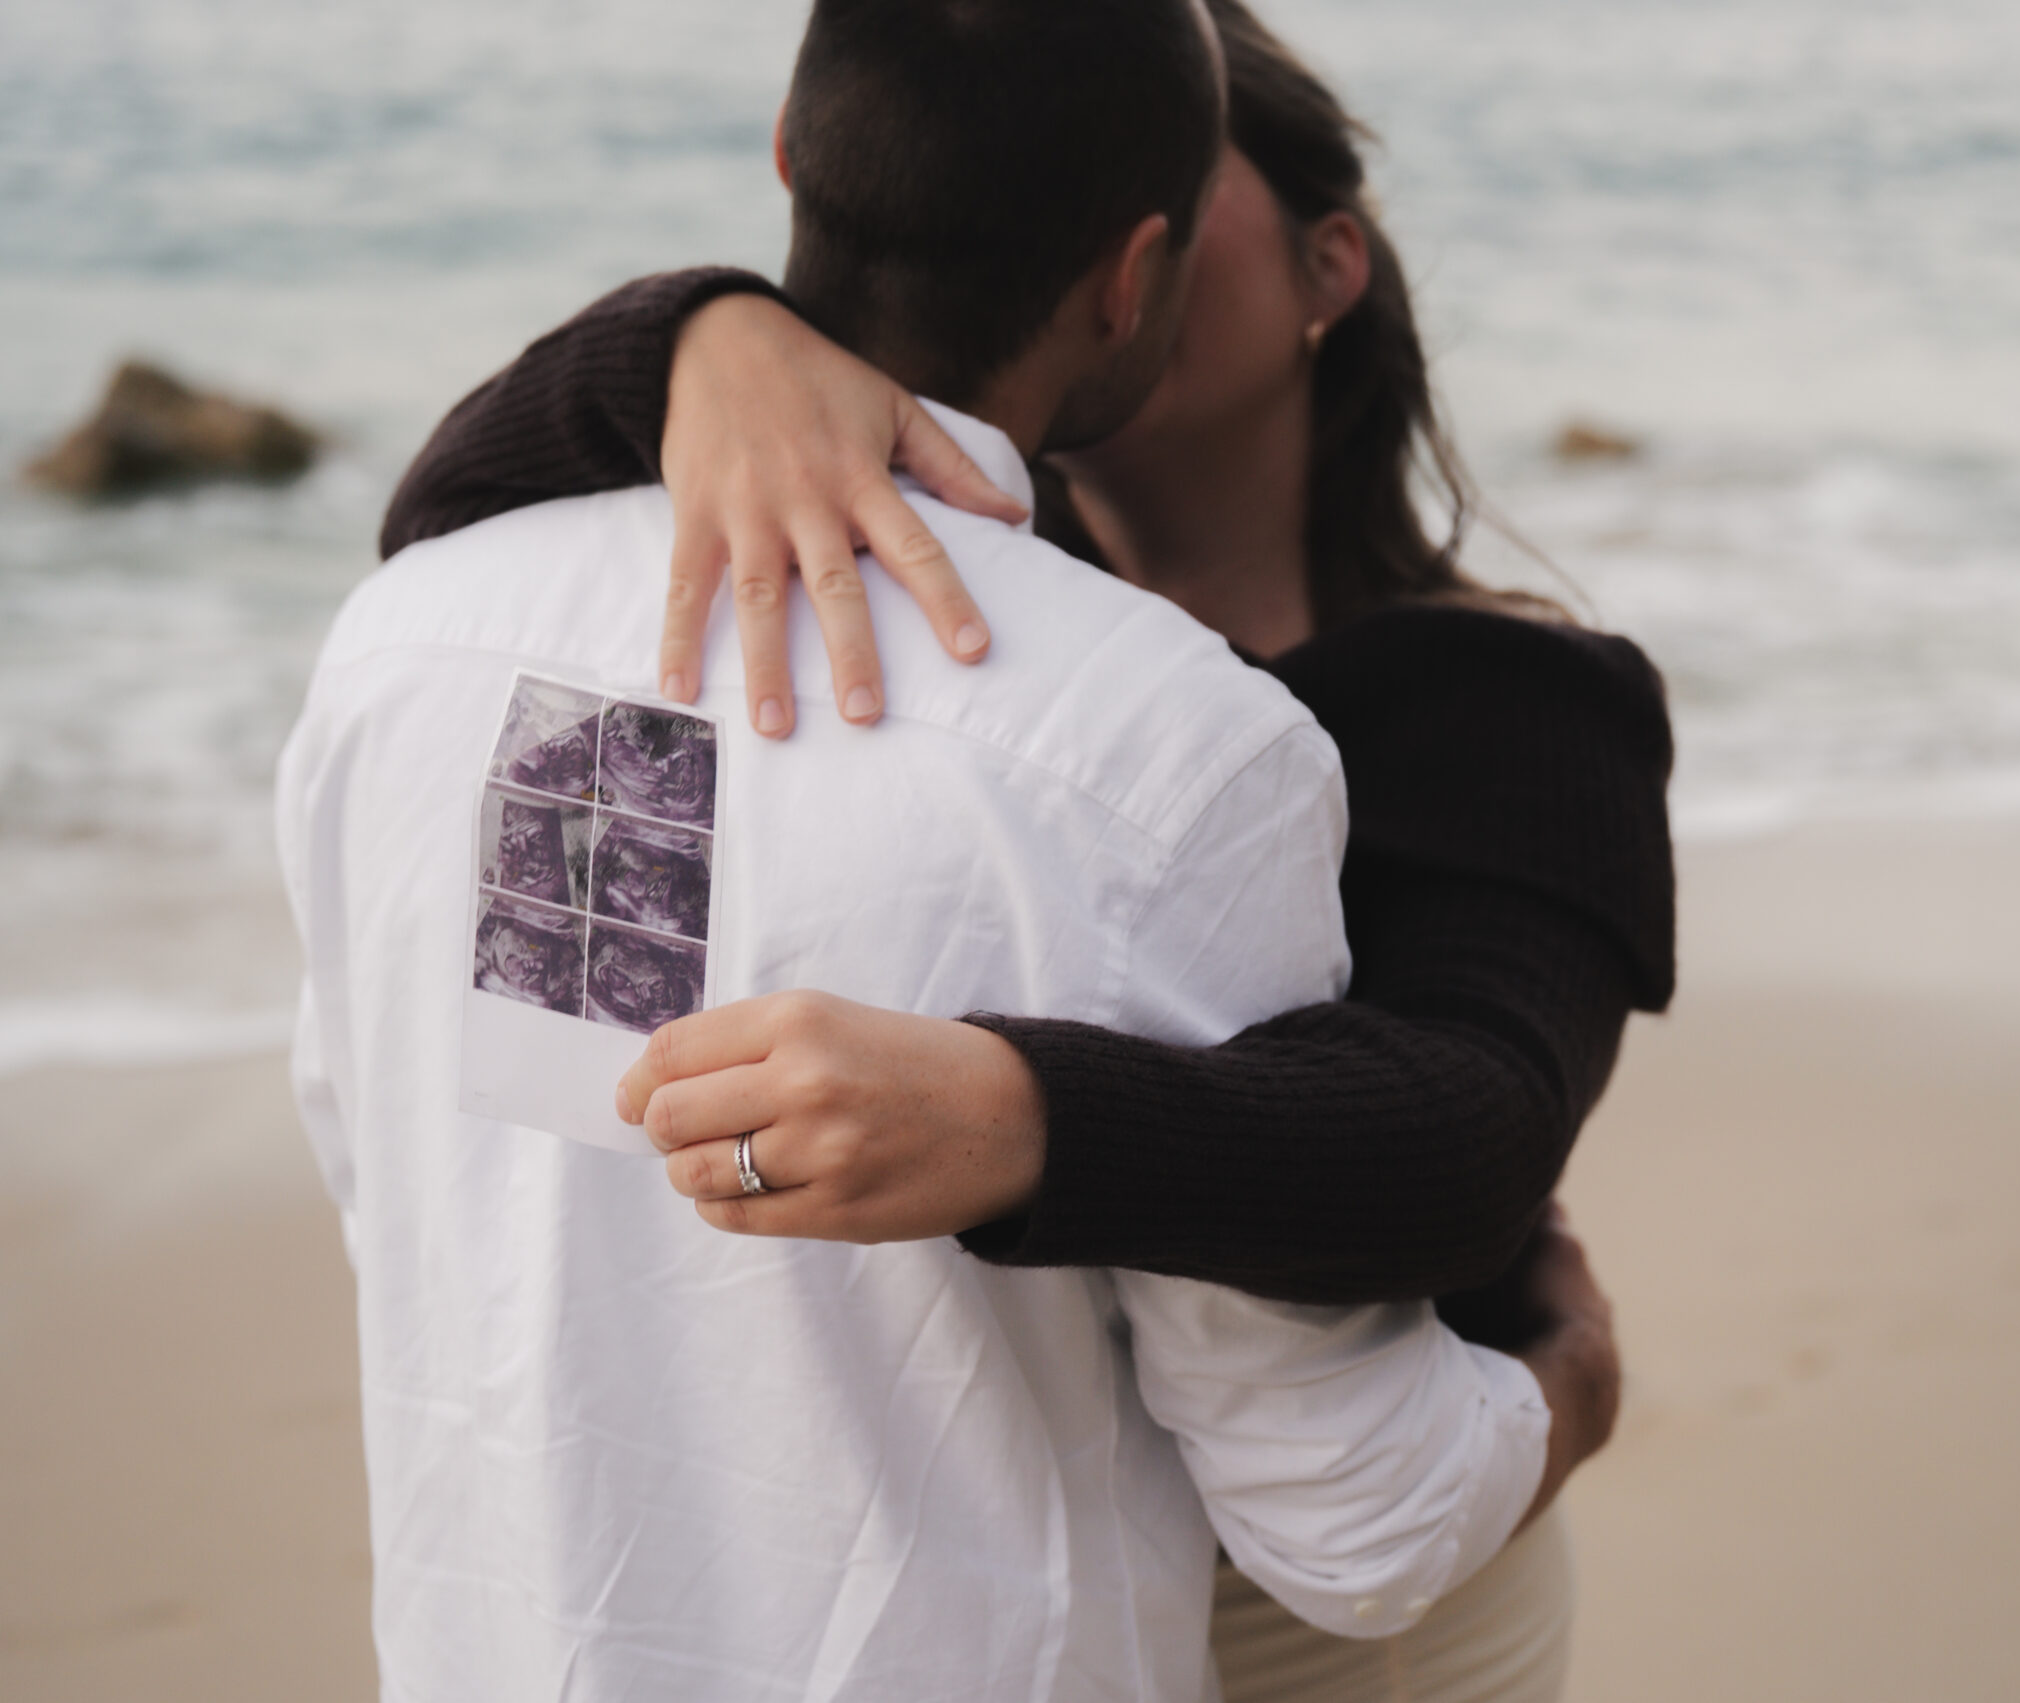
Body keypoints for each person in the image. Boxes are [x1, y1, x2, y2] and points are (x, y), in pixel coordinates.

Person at [283, 2, 1606, 1697]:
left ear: (789, 153)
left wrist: (1029, 1123)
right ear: (1135, 275)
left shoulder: (410, 640)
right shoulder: (1176, 754)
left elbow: (405, 1149)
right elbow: (1346, 1519)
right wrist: (1560, 1379)